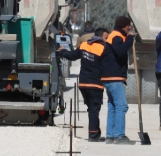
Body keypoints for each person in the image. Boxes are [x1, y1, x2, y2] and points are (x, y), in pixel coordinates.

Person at [57, 28, 107, 142]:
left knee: (91, 108)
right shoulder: (103, 48)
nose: (107, 39)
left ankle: (96, 132)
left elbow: (72, 55)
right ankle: (93, 135)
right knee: (94, 109)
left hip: (83, 84)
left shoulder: (84, 45)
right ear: (100, 37)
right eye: (106, 37)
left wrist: (62, 51)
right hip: (95, 84)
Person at [101, 15, 137, 145]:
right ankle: (119, 135)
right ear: (124, 26)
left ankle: (110, 136)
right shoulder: (117, 36)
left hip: (109, 77)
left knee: (113, 106)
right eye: (129, 27)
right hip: (114, 77)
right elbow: (120, 51)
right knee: (121, 106)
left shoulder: (114, 35)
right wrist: (130, 39)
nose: (130, 29)